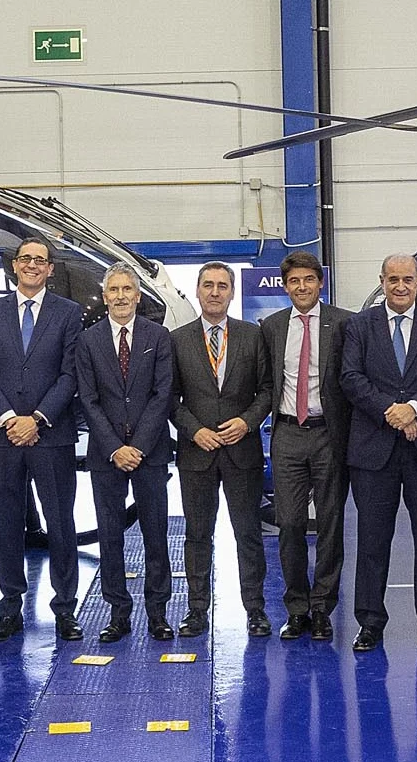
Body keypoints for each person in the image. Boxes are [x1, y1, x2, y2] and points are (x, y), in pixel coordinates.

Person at [342, 253, 417, 653]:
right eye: (392, 279)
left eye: (407, 279)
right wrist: (392, 413)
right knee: (373, 542)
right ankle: (370, 623)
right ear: (382, 281)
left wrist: (413, 408)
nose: (400, 286)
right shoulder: (359, 326)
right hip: (374, 452)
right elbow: (351, 378)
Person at [0, 236, 87, 641]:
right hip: (3, 438)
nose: (33, 265)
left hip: (50, 435)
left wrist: (37, 418)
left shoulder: (69, 313)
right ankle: (10, 609)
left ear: (51, 269)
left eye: (41, 260)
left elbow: (71, 374)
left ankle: (65, 609)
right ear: (14, 266)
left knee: (60, 523)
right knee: (7, 525)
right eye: (26, 259)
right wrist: (8, 418)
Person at [72, 264, 179, 641]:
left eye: (127, 290)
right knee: (110, 536)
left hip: (150, 453)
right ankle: (118, 614)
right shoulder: (88, 341)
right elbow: (87, 399)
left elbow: (163, 394)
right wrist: (116, 448)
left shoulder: (158, 336)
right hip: (106, 455)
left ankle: (157, 613)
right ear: (105, 297)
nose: (120, 296)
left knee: (156, 534)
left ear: (138, 295)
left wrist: (138, 446)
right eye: (113, 290)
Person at [169, 261, 273, 636]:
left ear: (232, 292)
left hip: (241, 450)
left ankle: (256, 609)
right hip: (196, 453)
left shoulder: (252, 336)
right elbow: (169, 398)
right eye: (208, 285)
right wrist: (194, 431)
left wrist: (248, 421)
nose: (215, 292)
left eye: (222, 286)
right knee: (197, 534)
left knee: (248, 533)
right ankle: (197, 609)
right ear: (197, 291)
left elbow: (267, 390)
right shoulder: (177, 339)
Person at [260, 251, 352, 642]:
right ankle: (296, 608)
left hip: (329, 434)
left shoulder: (345, 323)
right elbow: (265, 382)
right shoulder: (272, 326)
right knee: (290, 523)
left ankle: (322, 608)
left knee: (331, 523)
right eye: (294, 281)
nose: (302, 287)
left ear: (320, 283)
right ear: (286, 287)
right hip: (287, 434)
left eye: (309, 280)